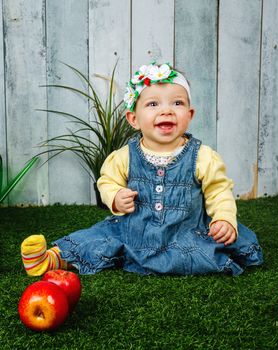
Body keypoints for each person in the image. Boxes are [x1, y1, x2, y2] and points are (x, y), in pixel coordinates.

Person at [21, 62, 263, 276]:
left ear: (189, 115)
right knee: (97, 239)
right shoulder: (124, 156)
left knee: (221, 243)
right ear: (133, 119)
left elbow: (219, 191)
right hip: (133, 230)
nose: (166, 110)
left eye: (177, 103)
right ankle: (54, 259)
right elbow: (106, 181)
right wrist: (115, 196)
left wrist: (224, 219)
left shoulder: (203, 156)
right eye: (153, 104)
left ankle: (192, 251)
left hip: (187, 232)